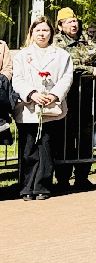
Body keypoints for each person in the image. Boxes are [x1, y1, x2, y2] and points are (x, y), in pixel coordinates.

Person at [12, 16, 74, 201]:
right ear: (31, 33)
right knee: (28, 148)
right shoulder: (22, 55)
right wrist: (31, 94)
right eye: (38, 30)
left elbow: (66, 78)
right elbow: (18, 79)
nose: (42, 34)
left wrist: (54, 95)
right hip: (29, 108)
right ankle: (26, 186)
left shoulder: (62, 55)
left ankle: (43, 186)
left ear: (51, 33)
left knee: (46, 147)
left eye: (45, 30)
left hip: (50, 108)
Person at [53, 8, 96, 191]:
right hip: (66, 96)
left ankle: (82, 176)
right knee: (64, 136)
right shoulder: (57, 42)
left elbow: (95, 53)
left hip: (85, 94)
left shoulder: (83, 39)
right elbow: (68, 64)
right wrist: (89, 69)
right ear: (60, 25)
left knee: (85, 135)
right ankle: (63, 178)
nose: (74, 24)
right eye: (69, 22)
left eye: (75, 21)